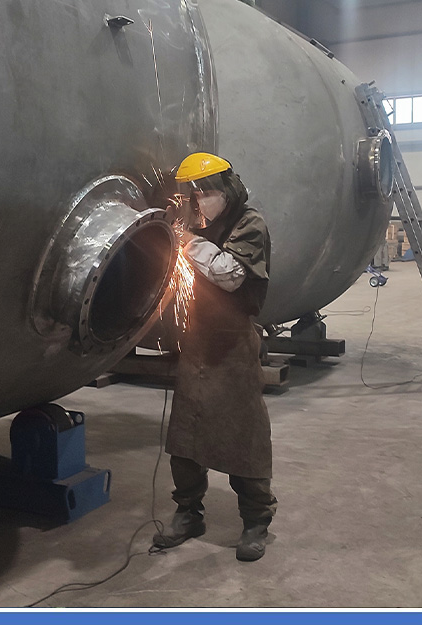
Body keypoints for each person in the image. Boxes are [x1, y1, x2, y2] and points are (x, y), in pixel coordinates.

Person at [153, 152, 277, 562]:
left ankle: (256, 520)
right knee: (185, 433)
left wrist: (186, 242)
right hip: (197, 342)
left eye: (205, 192)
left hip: (233, 343)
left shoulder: (250, 224)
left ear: (226, 189)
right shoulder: (198, 223)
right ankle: (189, 512)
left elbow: (229, 274)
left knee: (243, 433)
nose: (200, 200)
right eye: (194, 194)